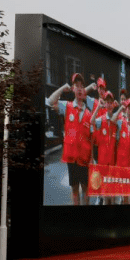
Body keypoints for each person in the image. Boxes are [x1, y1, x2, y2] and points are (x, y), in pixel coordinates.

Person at [46, 73, 96, 205]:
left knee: (86, 189)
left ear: (84, 90)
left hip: (85, 159)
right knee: (75, 190)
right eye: (76, 85)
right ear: (73, 89)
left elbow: (91, 139)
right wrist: (62, 88)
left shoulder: (89, 113)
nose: (79, 88)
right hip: (72, 158)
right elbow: (50, 101)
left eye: (81, 86)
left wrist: (92, 159)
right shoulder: (66, 106)